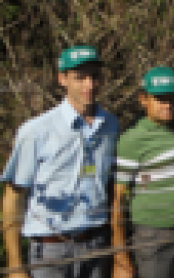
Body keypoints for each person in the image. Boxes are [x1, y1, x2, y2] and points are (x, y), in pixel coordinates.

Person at [2, 46, 119, 278]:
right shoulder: (36, 131)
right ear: (62, 79)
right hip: (50, 251)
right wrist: (15, 263)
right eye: (80, 77)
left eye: (94, 76)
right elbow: (14, 196)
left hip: (97, 246)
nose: (89, 85)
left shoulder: (112, 125)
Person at [111, 66, 174, 278]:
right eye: (160, 99)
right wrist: (120, 256)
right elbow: (118, 199)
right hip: (155, 238)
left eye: (172, 98)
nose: (168, 104)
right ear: (144, 99)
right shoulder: (133, 139)